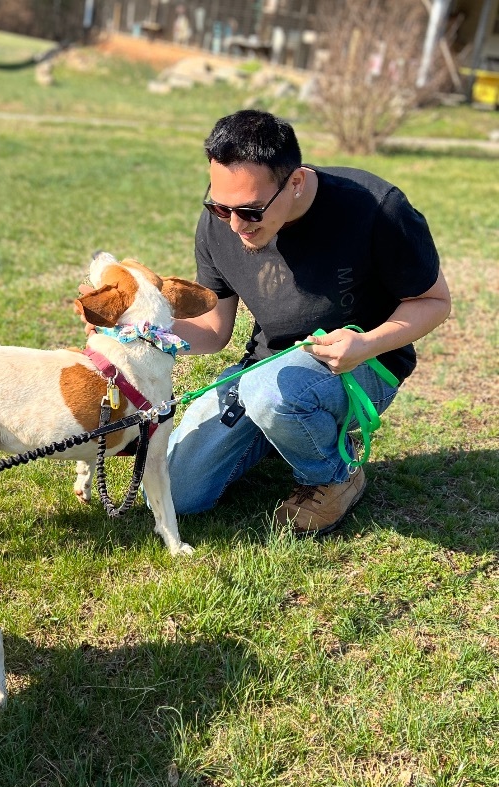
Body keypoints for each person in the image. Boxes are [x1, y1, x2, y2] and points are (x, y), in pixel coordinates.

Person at [165, 109, 451, 534]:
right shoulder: (219, 222)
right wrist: (142, 335)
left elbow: (434, 301)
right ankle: (283, 430)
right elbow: (213, 330)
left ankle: (335, 475)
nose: (235, 225)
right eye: (221, 207)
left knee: (272, 393)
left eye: (251, 211)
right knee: (179, 492)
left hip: (363, 364)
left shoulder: (376, 207)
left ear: (295, 182)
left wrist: (367, 344)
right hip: (265, 369)